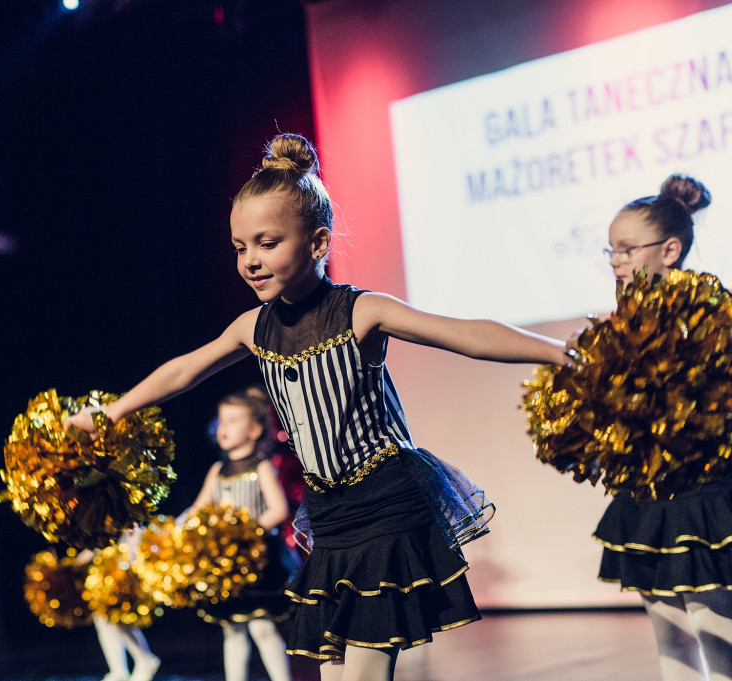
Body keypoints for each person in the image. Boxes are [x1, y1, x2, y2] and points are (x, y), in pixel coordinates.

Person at [67, 133, 567, 681]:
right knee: (333, 674)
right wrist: (111, 413)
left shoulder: (362, 312)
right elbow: (184, 370)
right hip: (329, 518)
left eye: (267, 243)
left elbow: (464, 334)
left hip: (385, 506)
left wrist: (558, 353)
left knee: (362, 674)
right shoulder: (252, 328)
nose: (251, 261)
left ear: (318, 242)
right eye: (239, 248)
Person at [594, 174, 732, 681]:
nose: (616, 260)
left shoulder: (712, 310)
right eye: (611, 250)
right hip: (646, 497)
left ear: (670, 250)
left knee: (714, 625)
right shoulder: (623, 320)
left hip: (702, 492)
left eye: (627, 249)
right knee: (669, 629)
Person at [184, 387, 295, 681]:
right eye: (222, 420)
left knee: (262, 626)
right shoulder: (218, 470)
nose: (224, 427)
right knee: (232, 628)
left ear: (255, 430)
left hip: (258, 561)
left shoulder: (262, 467)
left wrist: (246, 534)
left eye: (233, 420)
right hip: (226, 566)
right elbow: (198, 509)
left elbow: (278, 510)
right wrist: (179, 526)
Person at [77, 526, 161, 681]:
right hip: (109, 562)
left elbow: (132, 528)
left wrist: (129, 557)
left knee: (117, 617)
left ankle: (144, 659)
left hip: (125, 561)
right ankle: (118, 670)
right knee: (103, 618)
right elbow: (105, 535)